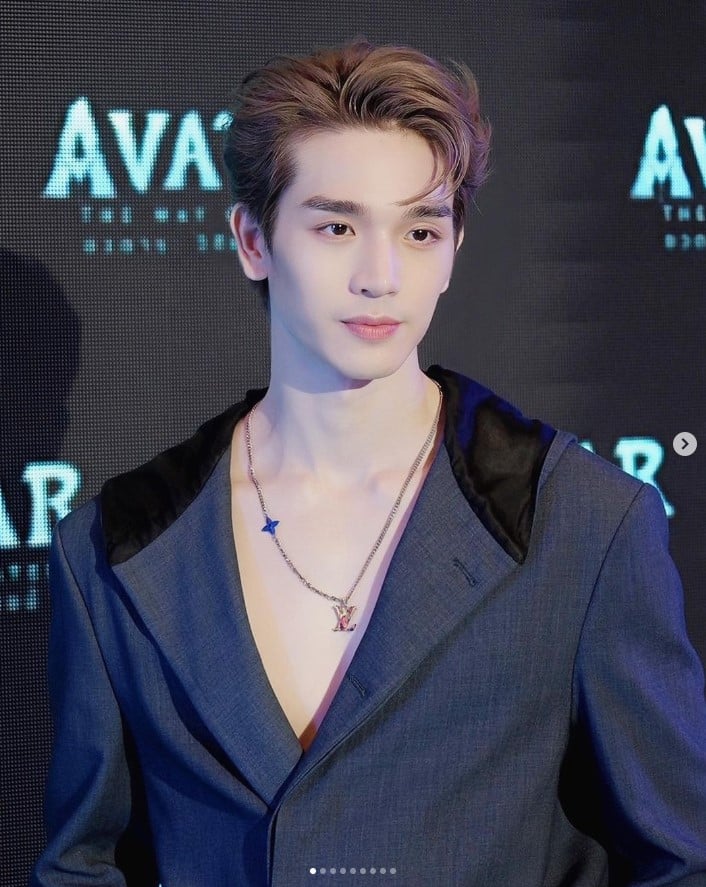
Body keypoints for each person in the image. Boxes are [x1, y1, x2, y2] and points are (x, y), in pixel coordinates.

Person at [32, 38, 706, 887]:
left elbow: (681, 860)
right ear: (253, 240)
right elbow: (82, 864)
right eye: (337, 227)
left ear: (453, 247)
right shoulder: (114, 547)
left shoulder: (583, 521)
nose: (381, 276)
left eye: (420, 230)